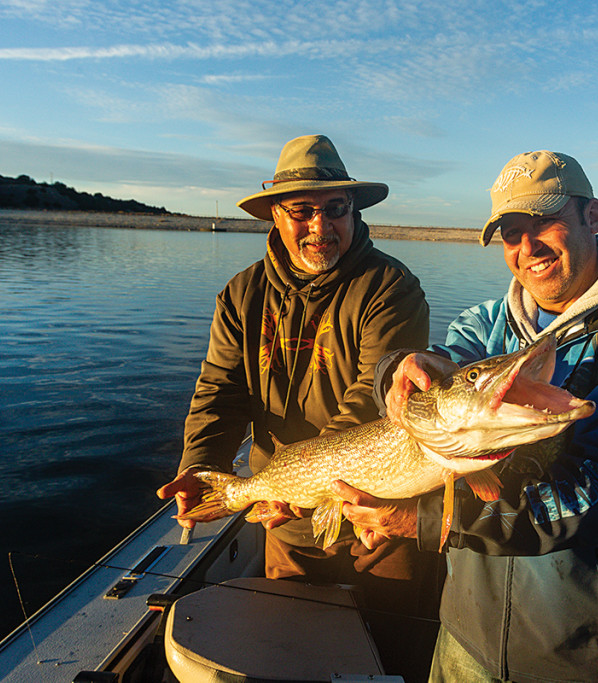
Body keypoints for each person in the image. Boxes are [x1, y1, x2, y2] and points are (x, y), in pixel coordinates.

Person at [333, 150, 598, 682]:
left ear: (593, 216)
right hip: (466, 634)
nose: (528, 247)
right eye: (512, 233)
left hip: (582, 653)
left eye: (545, 223)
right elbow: (428, 405)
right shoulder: (484, 326)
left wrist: (427, 521)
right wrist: (397, 367)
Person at [156, 134, 433, 614]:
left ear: (354, 212)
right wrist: (199, 468)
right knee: (290, 638)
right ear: (275, 215)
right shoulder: (241, 294)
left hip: (381, 511)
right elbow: (220, 391)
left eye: (336, 207)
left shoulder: (391, 288)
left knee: (392, 637)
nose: (320, 225)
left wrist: (301, 479)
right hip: (285, 519)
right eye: (302, 210)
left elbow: (377, 389)